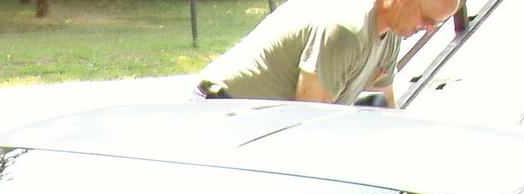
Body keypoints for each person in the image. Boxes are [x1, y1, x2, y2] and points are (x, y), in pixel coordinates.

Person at [197, 0, 460, 107]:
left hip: (262, 129)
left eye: (435, 24)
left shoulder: (390, 34)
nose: (428, 30)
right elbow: (310, 121)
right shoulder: (348, 27)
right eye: (427, 19)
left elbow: (387, 113)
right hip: (222, 115)